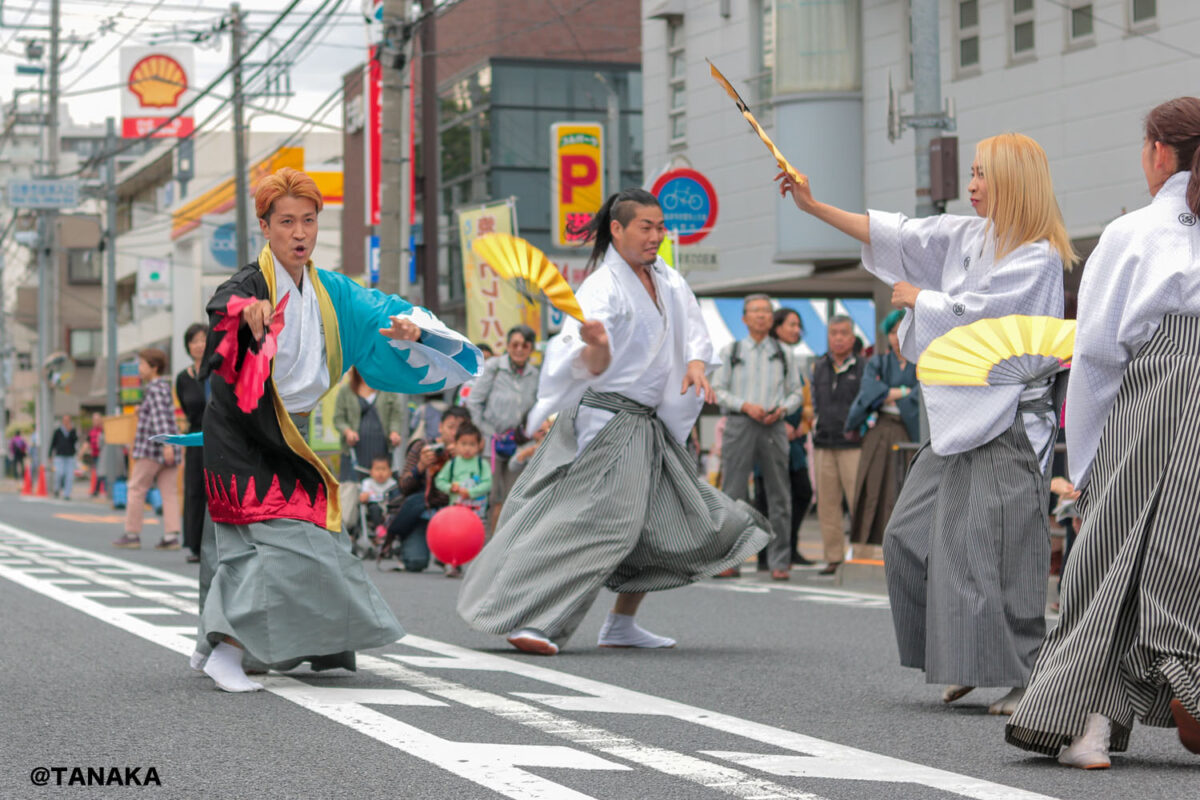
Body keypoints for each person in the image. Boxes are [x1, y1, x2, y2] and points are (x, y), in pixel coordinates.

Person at [778, 132, 1072, 714]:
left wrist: (921, 298)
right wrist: (814, 207)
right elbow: (895, 232)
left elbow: (986, 318)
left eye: (983, 175)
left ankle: (1029, 674)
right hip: (959, 415)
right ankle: (964, 656)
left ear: (1013, 181)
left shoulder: (1036, 256)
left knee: (1000, 547)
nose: (971, 186)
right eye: (972, 174)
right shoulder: (966, 234)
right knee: (907, 538)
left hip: (1010, 421)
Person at [192, 167, 480, 692]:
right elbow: (224, 310)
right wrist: (247, 313)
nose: (299, 233)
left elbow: (383, 310)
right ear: (265, 226)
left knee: (269, 546)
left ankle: (232, 649)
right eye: (286, 222)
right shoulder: (250, 284)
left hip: (289, 435)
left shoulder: (332, 293)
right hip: (243, 431)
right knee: (277, 547)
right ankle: (227, 653)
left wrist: (415, 330)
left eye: (308, 220)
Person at [458, 188, 770, 656]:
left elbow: (693, 336)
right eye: (646, 227)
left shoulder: (666, 278)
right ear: (617, 229)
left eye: (661, 227)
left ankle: (622, 623)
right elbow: (587, 360)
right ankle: (536, 618)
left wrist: (696, 366)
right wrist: (597, 344)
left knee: (665, 520)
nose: (656, 236)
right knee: (608, 524)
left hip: (648, 424)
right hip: (607, 421)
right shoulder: (602, 287)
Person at [1007, 97, 1200, 768]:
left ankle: (1086, 727)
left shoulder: (1136, 232)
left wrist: (1088, 467)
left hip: (1158, 398)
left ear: (1158, 153)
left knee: (1114, 560)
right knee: (1185, 557)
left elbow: (1094, 356)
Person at [712, 294, 804, 581]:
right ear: (744, 318)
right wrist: (745, 406)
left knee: (779, 494)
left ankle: (779, 561)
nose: (761, 316)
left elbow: (797, 393)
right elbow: (718, 390)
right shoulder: (732, 351)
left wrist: (783, 410)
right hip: (740, 423)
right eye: (755, 311)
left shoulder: (784, 353)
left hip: (773, 425)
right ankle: (730, 560)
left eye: (766, 311)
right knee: (733, 494)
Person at [844, 310, 921, 547]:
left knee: (907, 490)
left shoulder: (923, 363)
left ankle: (908, 543)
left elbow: (923, 393)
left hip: (911, 432)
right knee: (874, 489)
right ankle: (872, 543)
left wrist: (887, 392)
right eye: (892, 332)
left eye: (903, 330)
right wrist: (906, 391)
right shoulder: (876, 362)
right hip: (880, 430)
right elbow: (869, 391)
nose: (897, 337)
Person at [466, 325, 539, 532]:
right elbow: (474, 402)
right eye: (514, 344)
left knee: (514, 497)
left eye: (524, 345)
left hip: (519, 443)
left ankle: (505, 548)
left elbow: (539, 406)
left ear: (531, 348)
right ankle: (484, 545)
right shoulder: (494, 367)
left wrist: (532, 430)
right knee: (490, 495)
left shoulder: (534, 374)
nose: (519, 349)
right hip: (492, 442)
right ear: (507, 346)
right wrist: (484, 431)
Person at [383, 406, 471, 573]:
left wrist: (460, 461)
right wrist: (421, 466)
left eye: (461, 428)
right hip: (421, 514)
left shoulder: (469, 454)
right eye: (450, 427)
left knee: (451, 559)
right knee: (415, 562)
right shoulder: (422, 447)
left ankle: (446, 554)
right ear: (440, 427)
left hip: (452, 517)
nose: (455, 433)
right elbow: (403, 487)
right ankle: (405, 546)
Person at [808, 315, 865, 575]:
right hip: (823, 442)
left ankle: (864, 557)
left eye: (843, 333)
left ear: (852, 338)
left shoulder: (864, 366)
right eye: (833, 333)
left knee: (859, 503)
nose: (838, 338)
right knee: (827, 503)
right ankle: (833, 557)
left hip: (853, 443)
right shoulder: (818, 366)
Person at [112, 349, 183, 550]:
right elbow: (161, 414)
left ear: (154, 367)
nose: (139, 369)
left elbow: (160, 418)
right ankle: (171, 536)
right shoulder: (163, 388)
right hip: (167, 448)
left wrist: (166, 443)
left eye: (142, 365)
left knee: (136, 488)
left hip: (152, 449)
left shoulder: (155, 388)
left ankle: (132, 533)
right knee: (169, 492)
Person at [333, 367, 406, 538]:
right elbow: (338, 418)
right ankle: (350, 530)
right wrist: (347, 431)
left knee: (384, 490)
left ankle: (381, 528)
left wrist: (395, 432)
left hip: (381, 452)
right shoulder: (346, 390)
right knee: (351, 490)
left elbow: (397, 415)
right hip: (355, 450)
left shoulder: (387, 390)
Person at [771, 307, 815, 566]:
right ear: (777, 327)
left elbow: (804, 398)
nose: (796, 330)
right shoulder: (771, 355)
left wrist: (802, 424)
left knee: (800, 492)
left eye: (798, 325)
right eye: (791, 324)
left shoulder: (793, 357)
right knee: (774, 494)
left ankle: (789, 546)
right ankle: (772, 552)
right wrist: (783, 421)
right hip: (773, 431)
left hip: (796, 437)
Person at [176, 323, 209, 563]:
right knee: (194, 490)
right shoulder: (182, 378)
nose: (199, 345)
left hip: (218, 435)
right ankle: (195, 545)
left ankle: (219, 544)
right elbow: (186, 409)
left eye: (204, 339)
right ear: (188, 346)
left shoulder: (218, 372)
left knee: (218, 489)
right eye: (194, 341)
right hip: (194, 436)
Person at [435, 422, 493, 524]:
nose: (467, 448)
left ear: (479, 445)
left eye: (472, 444)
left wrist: (470, 492)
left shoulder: (482, 464)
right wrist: (450, 487)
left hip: (478, 514)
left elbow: (488, 484)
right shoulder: (452, 463)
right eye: (463, 444)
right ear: (456, 444)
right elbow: (440, 480)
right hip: (456, 512)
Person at [358, 454, 399, 539]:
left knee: (395, 511)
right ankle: (379, 529)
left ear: (390, 472)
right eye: (377, 469)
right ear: (371, 472)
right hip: (374, 506)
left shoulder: (393, 483)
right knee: (374, 509)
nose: (380, 472)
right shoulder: (367, 483)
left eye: (384, 469)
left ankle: (392, 529)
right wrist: (364, 497)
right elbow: (363, 497)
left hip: (389, 506)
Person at [49, 415, 79, 500]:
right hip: (59, 456)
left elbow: (75, 441)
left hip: (70, 456)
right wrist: (50, 454)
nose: (66, 422)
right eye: (64, 420)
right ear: (62, 421)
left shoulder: (72, 431)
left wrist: (71, 432)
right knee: (59, 473)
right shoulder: (58, 431)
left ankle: (67, 494)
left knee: (69, 476)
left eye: (68, 420)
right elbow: (53, 443)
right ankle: (57, 489)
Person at [87, 412, 106, 498]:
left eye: (97, 419)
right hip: (95, 455)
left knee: (101, 472)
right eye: (94, 420)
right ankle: (97, 490)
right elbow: (87, 442)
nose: (96, 421)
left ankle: (99, 490)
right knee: (98, 472)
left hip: (103, 455)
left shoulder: (104, 430)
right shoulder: (91, 431)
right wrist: (81, 453)